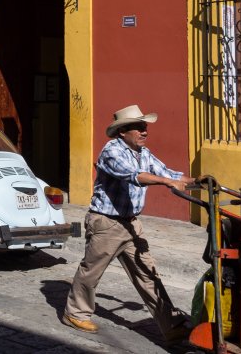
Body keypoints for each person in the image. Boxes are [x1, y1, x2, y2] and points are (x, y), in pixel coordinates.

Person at [62, 104, 195, 345]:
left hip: (131, 223)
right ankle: (75, 313)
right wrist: (166, 182)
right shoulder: (112, 151)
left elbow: (167, 172)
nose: (144, 131)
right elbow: (134, 176)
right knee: (91, 271)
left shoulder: (143, 152)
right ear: (122, 131)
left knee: (148, 273)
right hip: (107, 223)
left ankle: (171, 325)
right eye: (138, 127)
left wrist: (197, 181)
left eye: (145, 127)